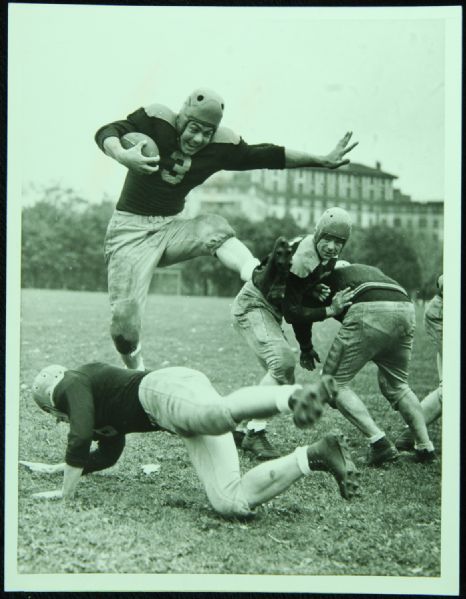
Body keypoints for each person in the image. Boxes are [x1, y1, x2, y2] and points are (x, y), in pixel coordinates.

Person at [95, 88, 358, 370]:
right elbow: (106, 131)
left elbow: (267, 155)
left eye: (207, 132)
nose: (198, 139)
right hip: (129, 232)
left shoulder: (220, 146)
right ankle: (137, 373)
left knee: (213, 227)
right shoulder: (157, 120)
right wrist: (122, 155)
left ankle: (260, 277)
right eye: (194, 128)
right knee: (124, 326)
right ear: (181, 116)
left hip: (171, 228)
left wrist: (320, 159)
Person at [23, 363, 360, 519]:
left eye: (54, 413)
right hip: (175, 417)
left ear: (51, 401)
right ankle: (316, 454)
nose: (58, 418)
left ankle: (294, 396)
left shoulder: (71, 384)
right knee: (230, 502)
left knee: (213, 414)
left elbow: (79, 435)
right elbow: (109, 453)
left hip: (161, 391)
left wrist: (66, 492)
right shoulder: (91, 401)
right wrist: (60, 468)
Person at [231, 207, 354, 459]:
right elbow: (294, 313)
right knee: (283, 364)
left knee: (283, 376)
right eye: (327, 239)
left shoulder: (321, 257)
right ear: (318, 235)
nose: (331, 247)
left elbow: (297, 300)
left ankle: (237, 427)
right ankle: (255, 432)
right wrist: (330, 309)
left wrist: (307, 346)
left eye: (338, 242)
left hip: (269, 309)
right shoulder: (301, 258)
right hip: (254, 305)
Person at [284, 263, 436, 465]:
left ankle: (380, 444)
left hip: (369, 308)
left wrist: (305, 347)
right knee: (398, 386)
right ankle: (425, 449)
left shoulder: (317, 276)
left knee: (333, 384)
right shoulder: (361, 270)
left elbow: (301, 314)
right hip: (404, 306)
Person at [395, 274, 443, 451]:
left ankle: (412, 431)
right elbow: (444, 280)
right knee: (452, 385)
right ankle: (413, 431)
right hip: (444, 310)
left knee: (449, 386)